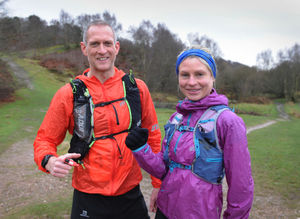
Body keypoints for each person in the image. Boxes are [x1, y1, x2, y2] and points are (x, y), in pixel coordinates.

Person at [33, 20, 161, 219]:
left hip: (130, 195)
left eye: (107, 43)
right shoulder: (69, 94)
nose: (102, 50)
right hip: (88, 196)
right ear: (84, 48)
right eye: (95, 44)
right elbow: (44, 140)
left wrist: (158, 184)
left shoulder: (137, 88)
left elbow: (153, 137)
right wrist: (48, 160)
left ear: (116, 47)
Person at [125, 46, 254, 218]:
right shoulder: (176, 118)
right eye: (185, 75)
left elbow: (241, 184)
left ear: (212, 77)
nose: (192, 82)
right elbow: (163, 169)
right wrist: (141, 149)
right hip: (165, 211)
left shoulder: (228, 122)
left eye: (199, 74)